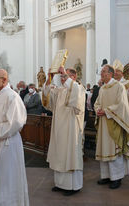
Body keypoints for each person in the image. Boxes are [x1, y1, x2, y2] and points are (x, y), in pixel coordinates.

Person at [0, 69, 29, 206]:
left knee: (8, 176)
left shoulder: (12, 96)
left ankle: (10, 202)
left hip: (9, 142)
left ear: (4, 80)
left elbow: (15, 123)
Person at [43, 67, 85, 196]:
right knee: (59, 154)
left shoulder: (79, 88)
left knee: (69, 154)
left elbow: (76, 101)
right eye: (61, 77)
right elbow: (47, 99)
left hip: (71, 128)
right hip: (59, 128)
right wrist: (49, 79)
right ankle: (60, 184)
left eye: (65, 76)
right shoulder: (60, 91)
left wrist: (64, 74)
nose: (62, 79)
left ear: (73, 77)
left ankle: (73, 186)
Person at [94, 64, 129, 189]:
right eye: (101, 72)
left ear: (110, 73)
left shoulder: (119, 86)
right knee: (104, 149)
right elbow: (97, 103)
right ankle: (106, 176)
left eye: (103, 71)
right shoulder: (103, 88)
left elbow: (121, 105)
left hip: (114, 122)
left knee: (114, 150)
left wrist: (107, 111)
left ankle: (116, 178)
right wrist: (98, 110)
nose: (101, 74)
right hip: (103, 123)